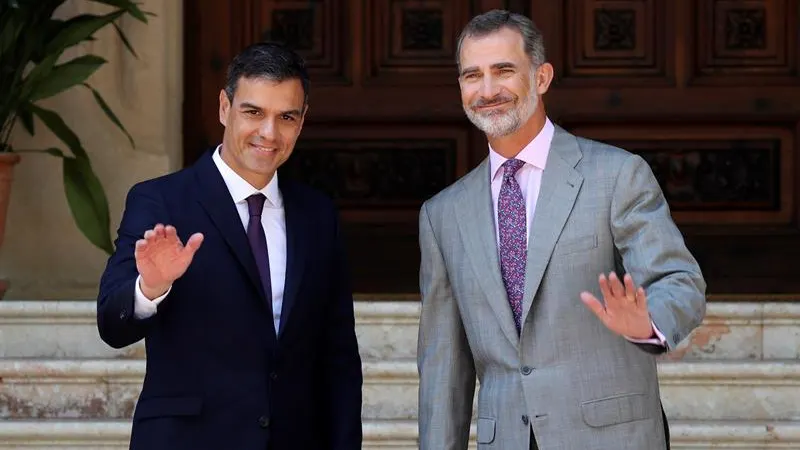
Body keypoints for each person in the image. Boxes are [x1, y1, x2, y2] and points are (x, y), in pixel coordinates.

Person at [416, 10, 706, 450]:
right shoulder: (442, 214)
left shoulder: (617, 175)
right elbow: (443, 367)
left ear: (542, 77)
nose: (488, 90)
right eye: (472, 75)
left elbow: (680, 282)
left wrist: (647, 322)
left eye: (504, 71)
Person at [96, 42, 363, 450]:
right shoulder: (162, 201)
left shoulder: (317, 215)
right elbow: (112, 325)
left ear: (302, 120)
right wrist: (149, 289)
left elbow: (339, 357)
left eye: (286, 117)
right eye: (253, 112)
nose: (269, 133)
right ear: (225, 107)